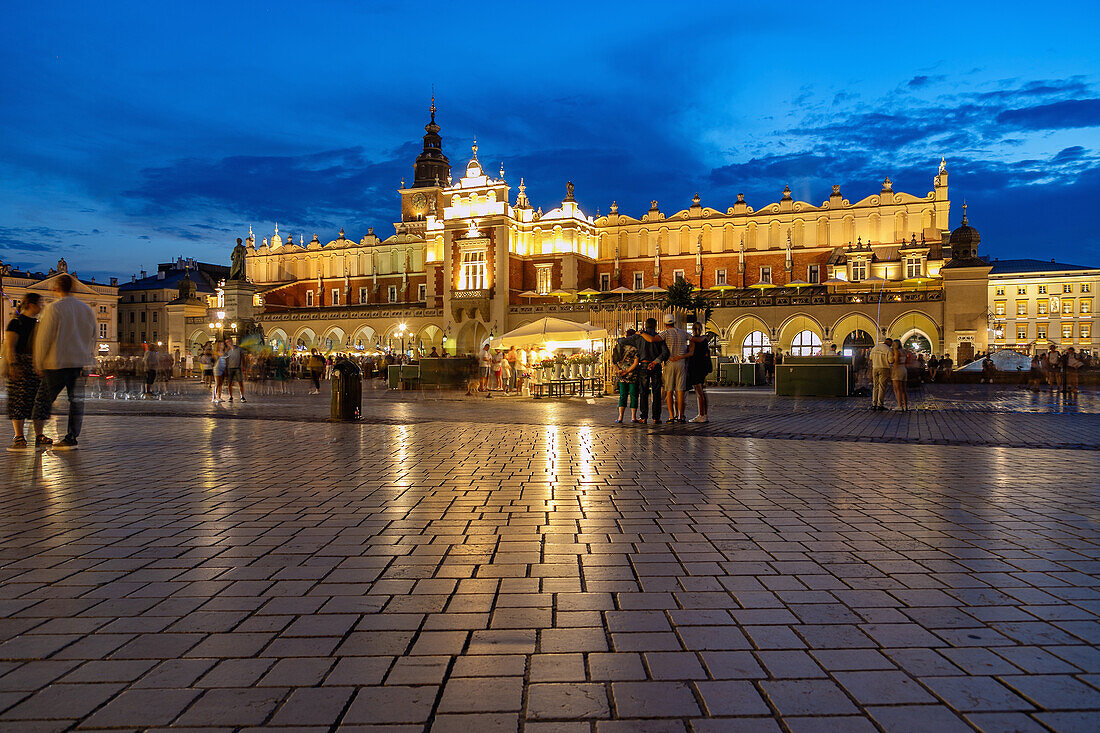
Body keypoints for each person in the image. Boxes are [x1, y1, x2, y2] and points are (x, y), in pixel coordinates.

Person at [30, 274, 96, 449]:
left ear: (56, 288)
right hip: (78, 363)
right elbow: (93, 337)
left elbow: (44, 338)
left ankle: (39, 435)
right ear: (72, 288)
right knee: (76, 402)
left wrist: (38, 362)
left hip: (56, 363)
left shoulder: (54, 309)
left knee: (43, 400)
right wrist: (89, 359)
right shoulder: (86, 309)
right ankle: (71, 437)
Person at [5, 294, 48, 450]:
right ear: (31, 304)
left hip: (36, 365)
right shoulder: (16, 323)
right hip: (21, 365)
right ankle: (19, 436)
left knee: (39, 401)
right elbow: (9, 345)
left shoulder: (39, 324)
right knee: (18, 400)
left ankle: (39, 435)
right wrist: (13, 364)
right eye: (39, 303)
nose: (41, 306)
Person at [655, 314, 693, 423]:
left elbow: (654, 339)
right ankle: (680, 416)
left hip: (670, 362)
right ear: (674, 322)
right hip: (681, 362)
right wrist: (688, 352)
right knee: (680, 391)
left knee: (669, 391)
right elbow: (692, 339)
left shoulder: (665, 333)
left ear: (665, 323)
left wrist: (642, 333)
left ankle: (671, 416)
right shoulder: (682, 332)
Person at [631, 317, 670, 423]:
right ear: (655, 325)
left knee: (643, 392)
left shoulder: (639, 337)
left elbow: (625, 342)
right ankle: (656, 418)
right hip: (656, 366)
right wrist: (656, 361)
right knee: (656, 392)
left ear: (645, 325)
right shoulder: (658, 337)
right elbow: (665, 353)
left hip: (643, 365)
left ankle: (643, 417)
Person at [612, 329, 640, 423]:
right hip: (632, 375)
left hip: (621, 375)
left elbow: (614, 361)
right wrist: (627, 371)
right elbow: (636, 363)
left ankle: (620, 417)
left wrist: (619, 371)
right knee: (633, 395)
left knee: (622, 395)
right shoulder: (635, 348)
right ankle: (633, 417)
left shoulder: (618, 346)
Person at [686, 322, 712, 422]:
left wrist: (681, 356)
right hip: (703, 368)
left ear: (693, 329)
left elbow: (691, 353)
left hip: (695, 367)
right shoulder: (704, 340)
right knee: (703, 392)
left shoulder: (694, 340)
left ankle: (701, 415)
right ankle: (704, 414)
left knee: (699, 392)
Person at [869, 337, 892, 411]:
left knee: (875, 386)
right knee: (882, 386)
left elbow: (870, 358)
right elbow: (891, 360)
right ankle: (880, 404)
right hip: (884, 368)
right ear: (889, 343)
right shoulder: (888, 349)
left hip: (875, 367)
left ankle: (873, 403)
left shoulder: (875, 348)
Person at [224, 338, 246, 402]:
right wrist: (225, 368)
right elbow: (226, 359)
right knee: (230, 383)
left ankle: (242, 396)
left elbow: (243, 358)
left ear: (232, 341)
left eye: (229, 341)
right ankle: (231, 396)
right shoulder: (227, 351)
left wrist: (243, 366)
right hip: (230, 368)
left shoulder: (239, 349)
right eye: (227, 342)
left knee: (240, 382)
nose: (229, 343)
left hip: (237, 368)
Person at [889, 338, 908, 411]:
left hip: (898, 369)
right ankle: (905, 405)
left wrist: (893, 371)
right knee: (903, 389)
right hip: (903, 369)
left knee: (897, 389)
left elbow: (896, 362)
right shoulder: (903, 351)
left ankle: (900, 406)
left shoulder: (897, 352)